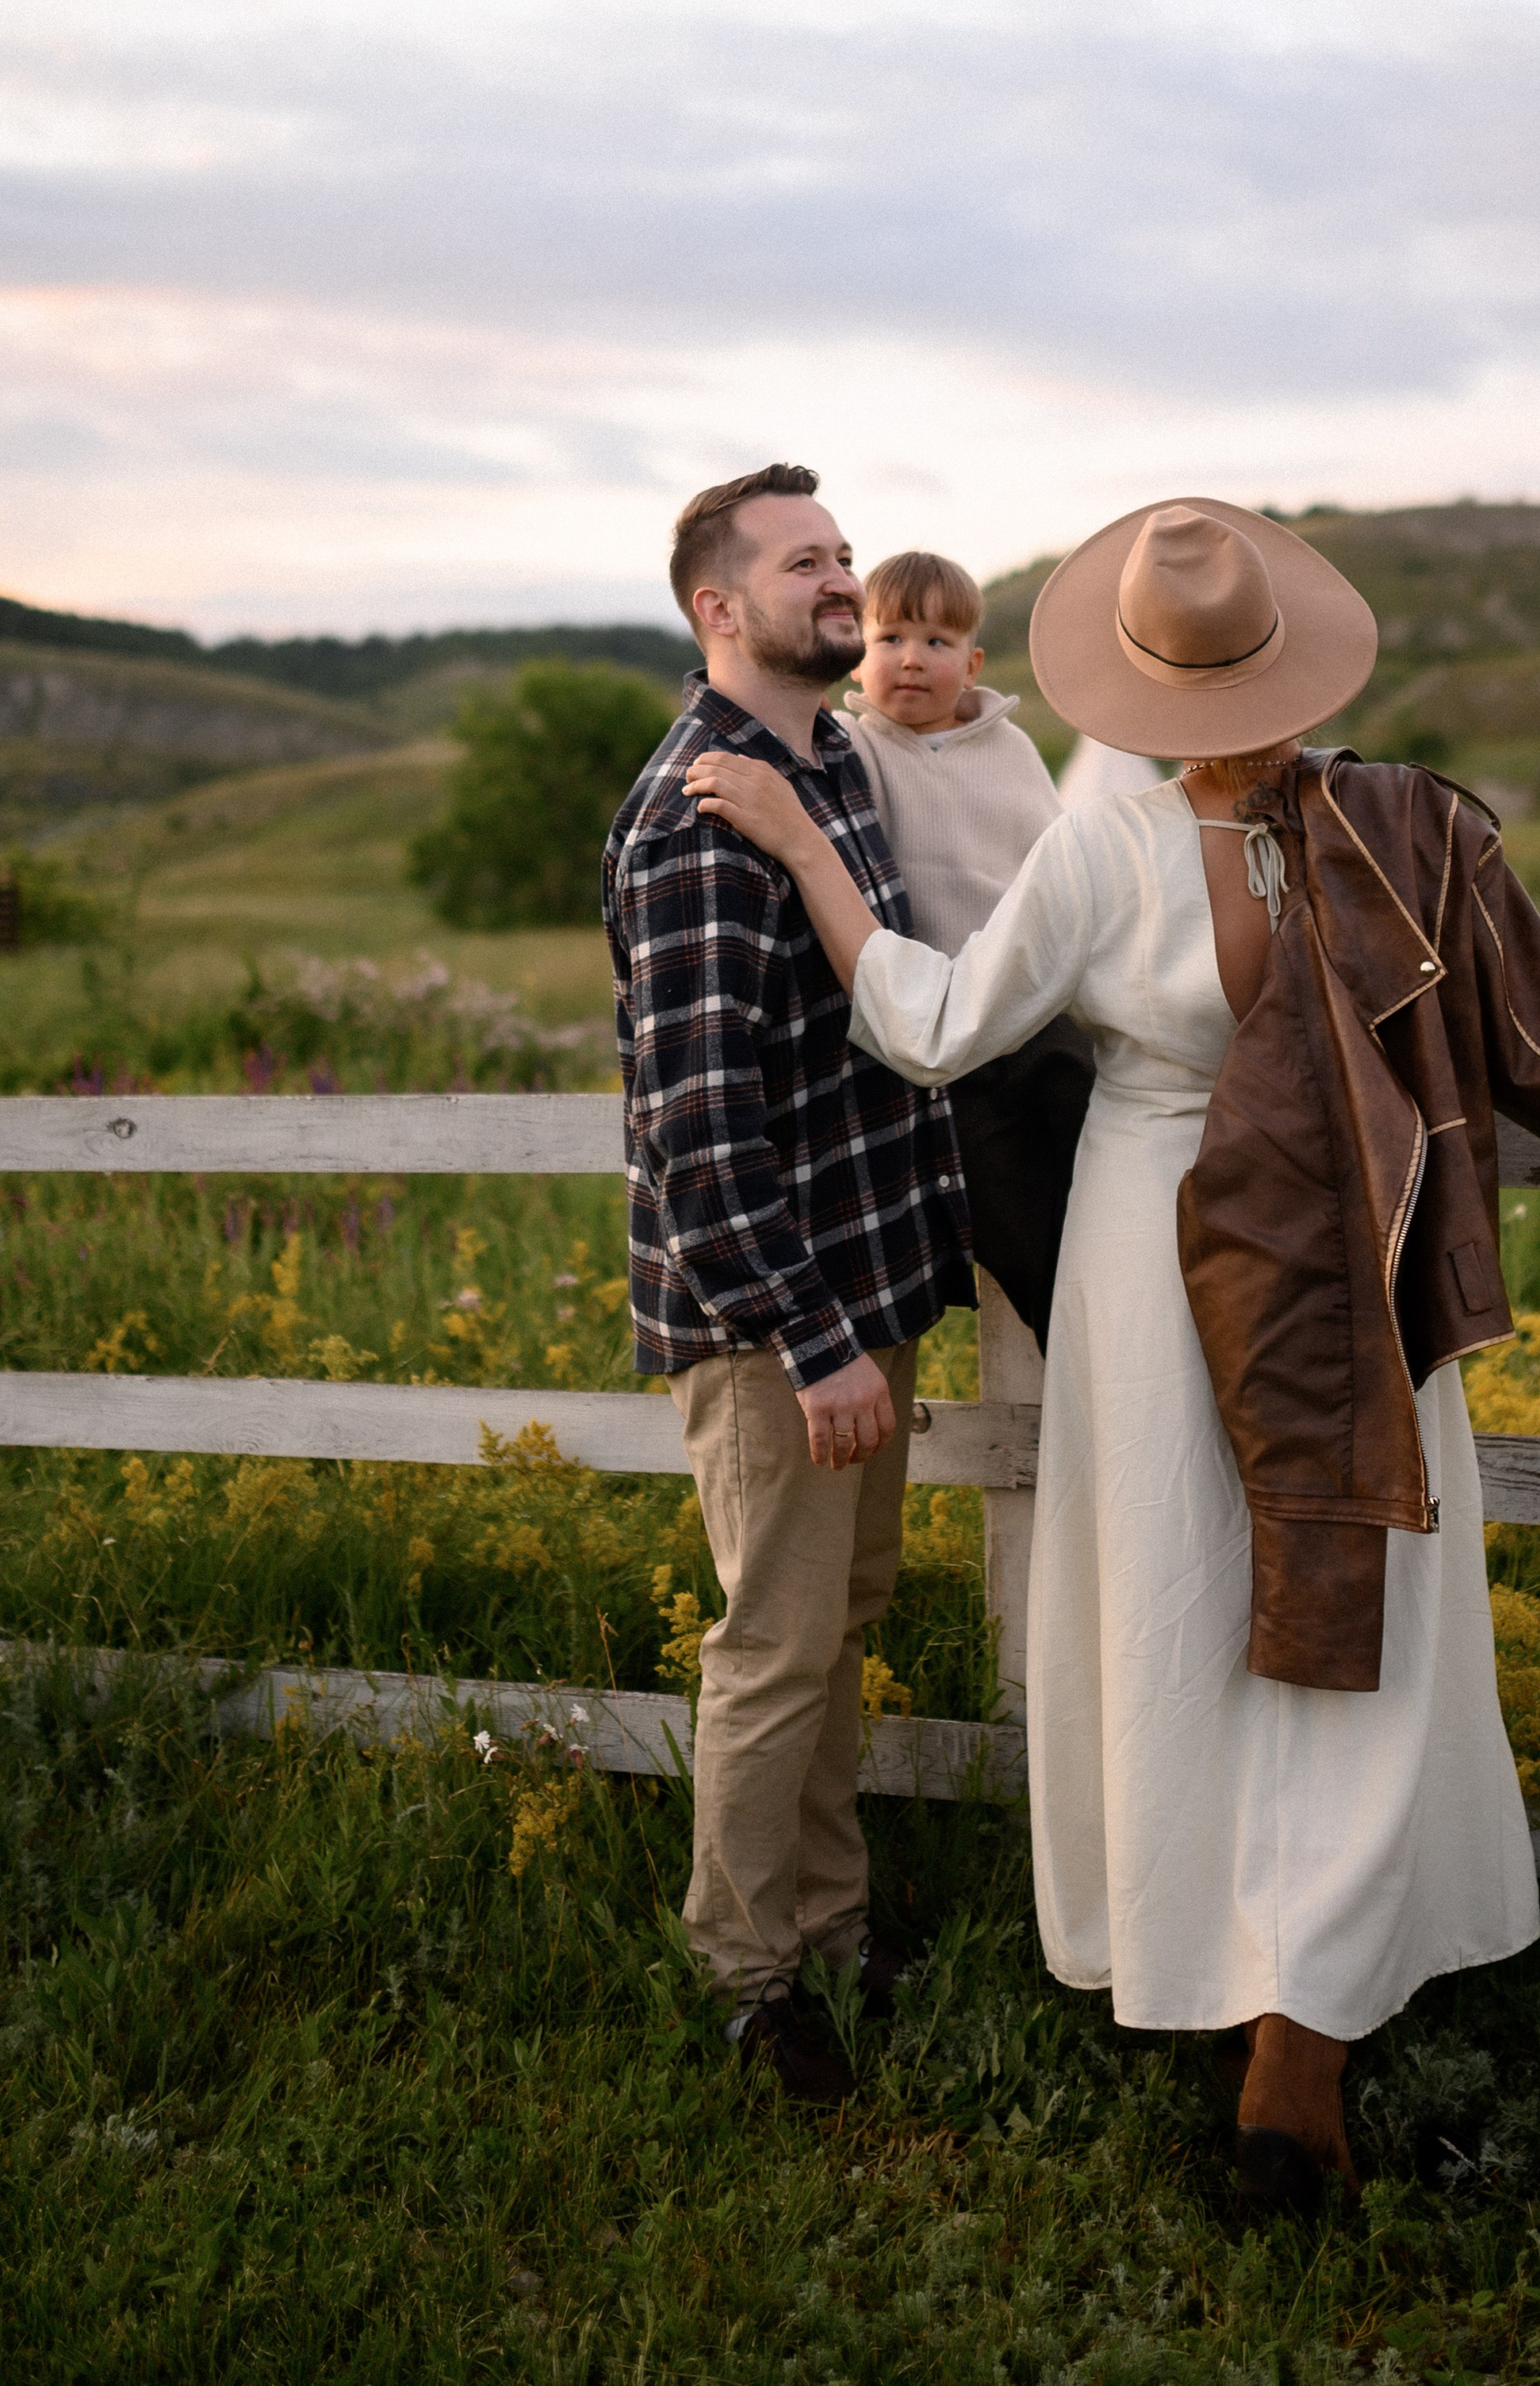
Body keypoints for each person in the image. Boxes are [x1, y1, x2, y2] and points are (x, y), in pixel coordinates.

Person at [682, 498, 1540, 2204]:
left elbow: (938, 1028)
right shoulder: (1407, 826)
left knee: (1176, 1612)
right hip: (1348, 1251)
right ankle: (1302, 2015)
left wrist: (809, 855)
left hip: (1151, 1244)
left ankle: (1224, 1965)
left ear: (1134, 687)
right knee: (1353, 1617)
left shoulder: (1100, 849)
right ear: (1292, 669)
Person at [601, 462, 974, 2105]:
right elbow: (698, 1126)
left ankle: (832, 1923)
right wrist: (817, 1337)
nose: (838, 579)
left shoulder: (819, 768)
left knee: (840, 1623)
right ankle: (751, 1976)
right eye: (802, 563)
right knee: (775, 1642)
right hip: (777, 1324)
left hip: (857, 1294)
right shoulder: (704, 812)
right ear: (718, 605)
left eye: (841, 554)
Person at [843, 547, 1093, 1351]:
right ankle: (1083, 1351)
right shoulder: (857, 749)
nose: (911, 659)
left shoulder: (1011, 750)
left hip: (1032, 1009)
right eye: (889, 639)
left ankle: (1137, 1324)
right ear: (858, 651)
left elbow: (1057, 866)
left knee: (1097, 1170)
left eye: (937, 643)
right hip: (944, 1034)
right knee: (1019, 1217)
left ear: (972, 661)